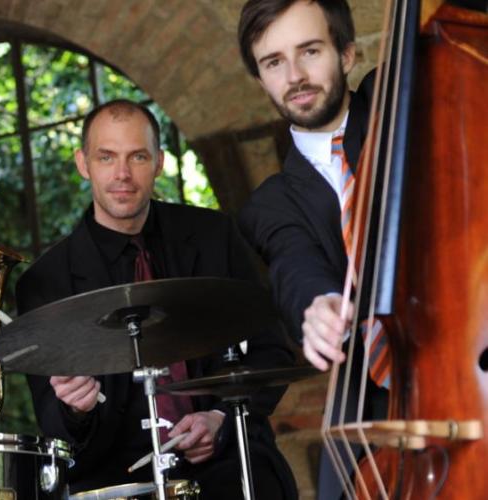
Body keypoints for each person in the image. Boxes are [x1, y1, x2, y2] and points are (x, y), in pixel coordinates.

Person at [19, 99, 297, 499]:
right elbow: (54, 427)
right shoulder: (47, 281)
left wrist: (219, 417)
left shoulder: (214, 236)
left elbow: (271, 353)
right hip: (116, 478)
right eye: (106, 157)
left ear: (159, 162)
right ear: (83, 164)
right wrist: (75, 409)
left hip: (227, 463)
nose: (122, 174)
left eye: (138, 156)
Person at [236, 1, 386, 498]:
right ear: (261, 79)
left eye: (310, 51)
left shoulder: (399, 99)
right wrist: (318, 302)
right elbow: (293, 261)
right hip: (376, 400)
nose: (295, 76)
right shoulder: (271, 204)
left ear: (347, 54)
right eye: (274, 62)